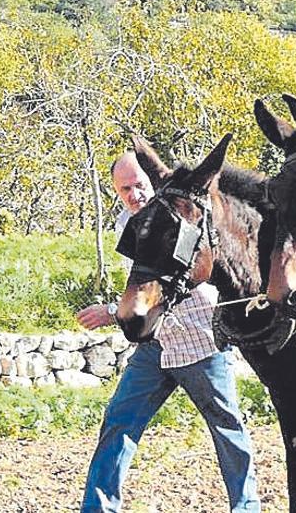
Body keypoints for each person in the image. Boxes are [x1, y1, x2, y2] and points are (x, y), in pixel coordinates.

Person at [76, 151, 261, 512]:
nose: (134, 195)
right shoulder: (125, 225)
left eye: (139, 186)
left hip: (200, 342)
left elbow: (170, 283)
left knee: (227, 430)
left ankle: (246, 507)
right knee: (119, 423)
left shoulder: (178, 219)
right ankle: (98, 508)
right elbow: (143, 287)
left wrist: (114, 312)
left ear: (153, 183)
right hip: (156, 345)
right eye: (125, 189)